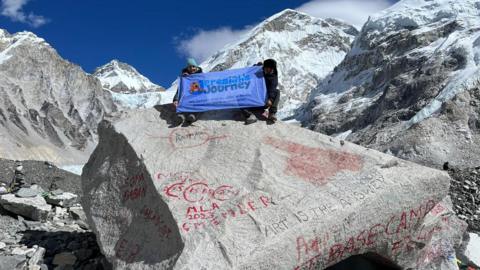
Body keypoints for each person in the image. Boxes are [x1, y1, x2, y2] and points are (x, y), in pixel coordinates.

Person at [243, 59, 280, 124]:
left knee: (277, 92)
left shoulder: (273, 76)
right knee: (239, 96)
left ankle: (272, 113)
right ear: (265, 68)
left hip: (263, 103)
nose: (271, 70)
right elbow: (249, 73)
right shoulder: (257, 72)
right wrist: (256, 67)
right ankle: (250, 115)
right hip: (252, 102)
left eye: (272, 68)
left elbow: (272, 89)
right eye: (269, 68)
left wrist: (270, 99)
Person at [173, 58, 203, 125]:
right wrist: (175, 99)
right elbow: (180, 90)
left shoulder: (201, 76)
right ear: (187, 68)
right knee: (183, 102)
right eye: (190, 67)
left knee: (199, 103)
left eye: (193, 66)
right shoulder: (185, 78)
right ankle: (181, 116)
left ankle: (193, 115)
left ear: (196, 67)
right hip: (187, 98)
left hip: (197, 98)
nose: (192, 68)